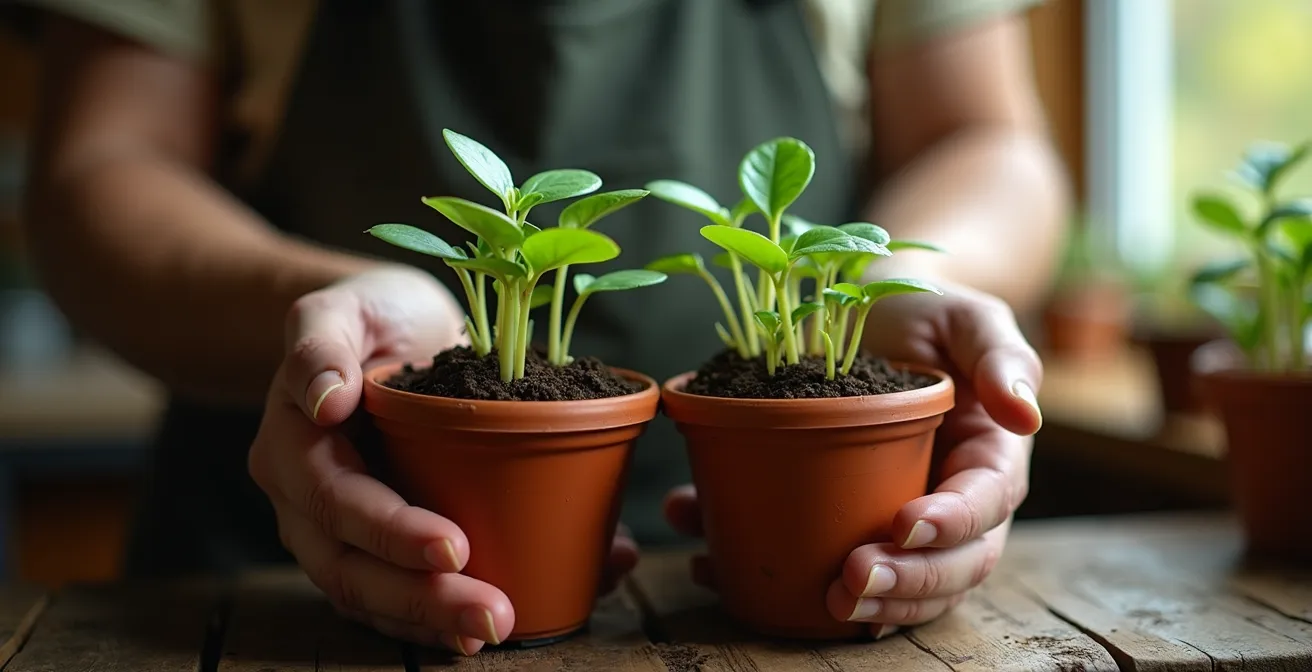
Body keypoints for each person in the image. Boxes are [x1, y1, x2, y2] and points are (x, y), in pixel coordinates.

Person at [11, 0, 1067, 655]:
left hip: (804, 577)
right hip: (275, 569)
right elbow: (101, 165)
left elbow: (984, 135)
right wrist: (332, 325)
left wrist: (880, 292)